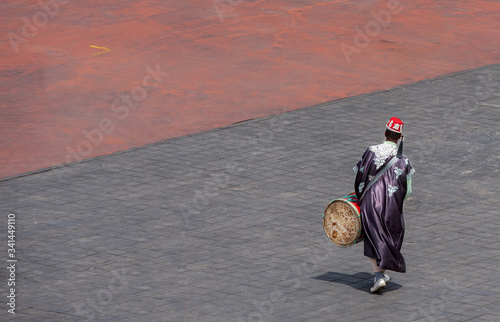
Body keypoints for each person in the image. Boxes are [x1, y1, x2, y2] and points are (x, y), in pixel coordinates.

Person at [353, 117, 415, 293]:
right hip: (391, 206)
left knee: (373, 236)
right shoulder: (404, 160)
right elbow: (408, 191)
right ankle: (380, 273)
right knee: (388, 237)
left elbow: (360, 176)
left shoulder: (371, 151)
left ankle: (379, 276)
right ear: (400, 137)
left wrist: (361, 196)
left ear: (385, 133)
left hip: (371, 202)